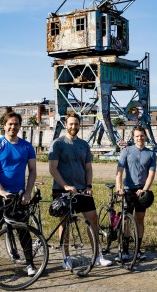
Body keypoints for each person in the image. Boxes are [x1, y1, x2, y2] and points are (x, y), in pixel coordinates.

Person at [48, 113, 113, 270]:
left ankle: (97, 256)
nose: (73, 127)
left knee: (93, 220)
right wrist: (65, 186)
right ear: (66, 124)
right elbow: (52, 168)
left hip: (82, 189)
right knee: (64, 224)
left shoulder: (84, 144)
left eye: (76, 124)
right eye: (71, 124)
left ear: (79, 125)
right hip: (62, 190)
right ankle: (66, 257)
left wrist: (89, 185)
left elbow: (88, 168)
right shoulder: (57, 144)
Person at [0, 112, 37, 281]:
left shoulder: (27, 147)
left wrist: (28, 192)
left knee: (22, 230)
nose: (13, 127)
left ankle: (30, 264)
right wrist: (0, 190)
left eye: (16, 124)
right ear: (4, 126)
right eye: (10, 124)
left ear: (20, 126)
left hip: (18, 196)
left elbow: (33, 171)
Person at [115, 126, 156, 261]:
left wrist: (144, 189)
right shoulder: (126, 151)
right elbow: (120, 171)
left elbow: (151, 174)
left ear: (145, 136)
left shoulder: (150, 153)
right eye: (137, 136)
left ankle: (138, 250)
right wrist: (119, 187)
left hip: (142, 190)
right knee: (126, 219)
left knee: (139, 218)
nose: (140, 138)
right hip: (128, 189)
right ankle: (125, 249)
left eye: (142, 135)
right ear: (133, 137)